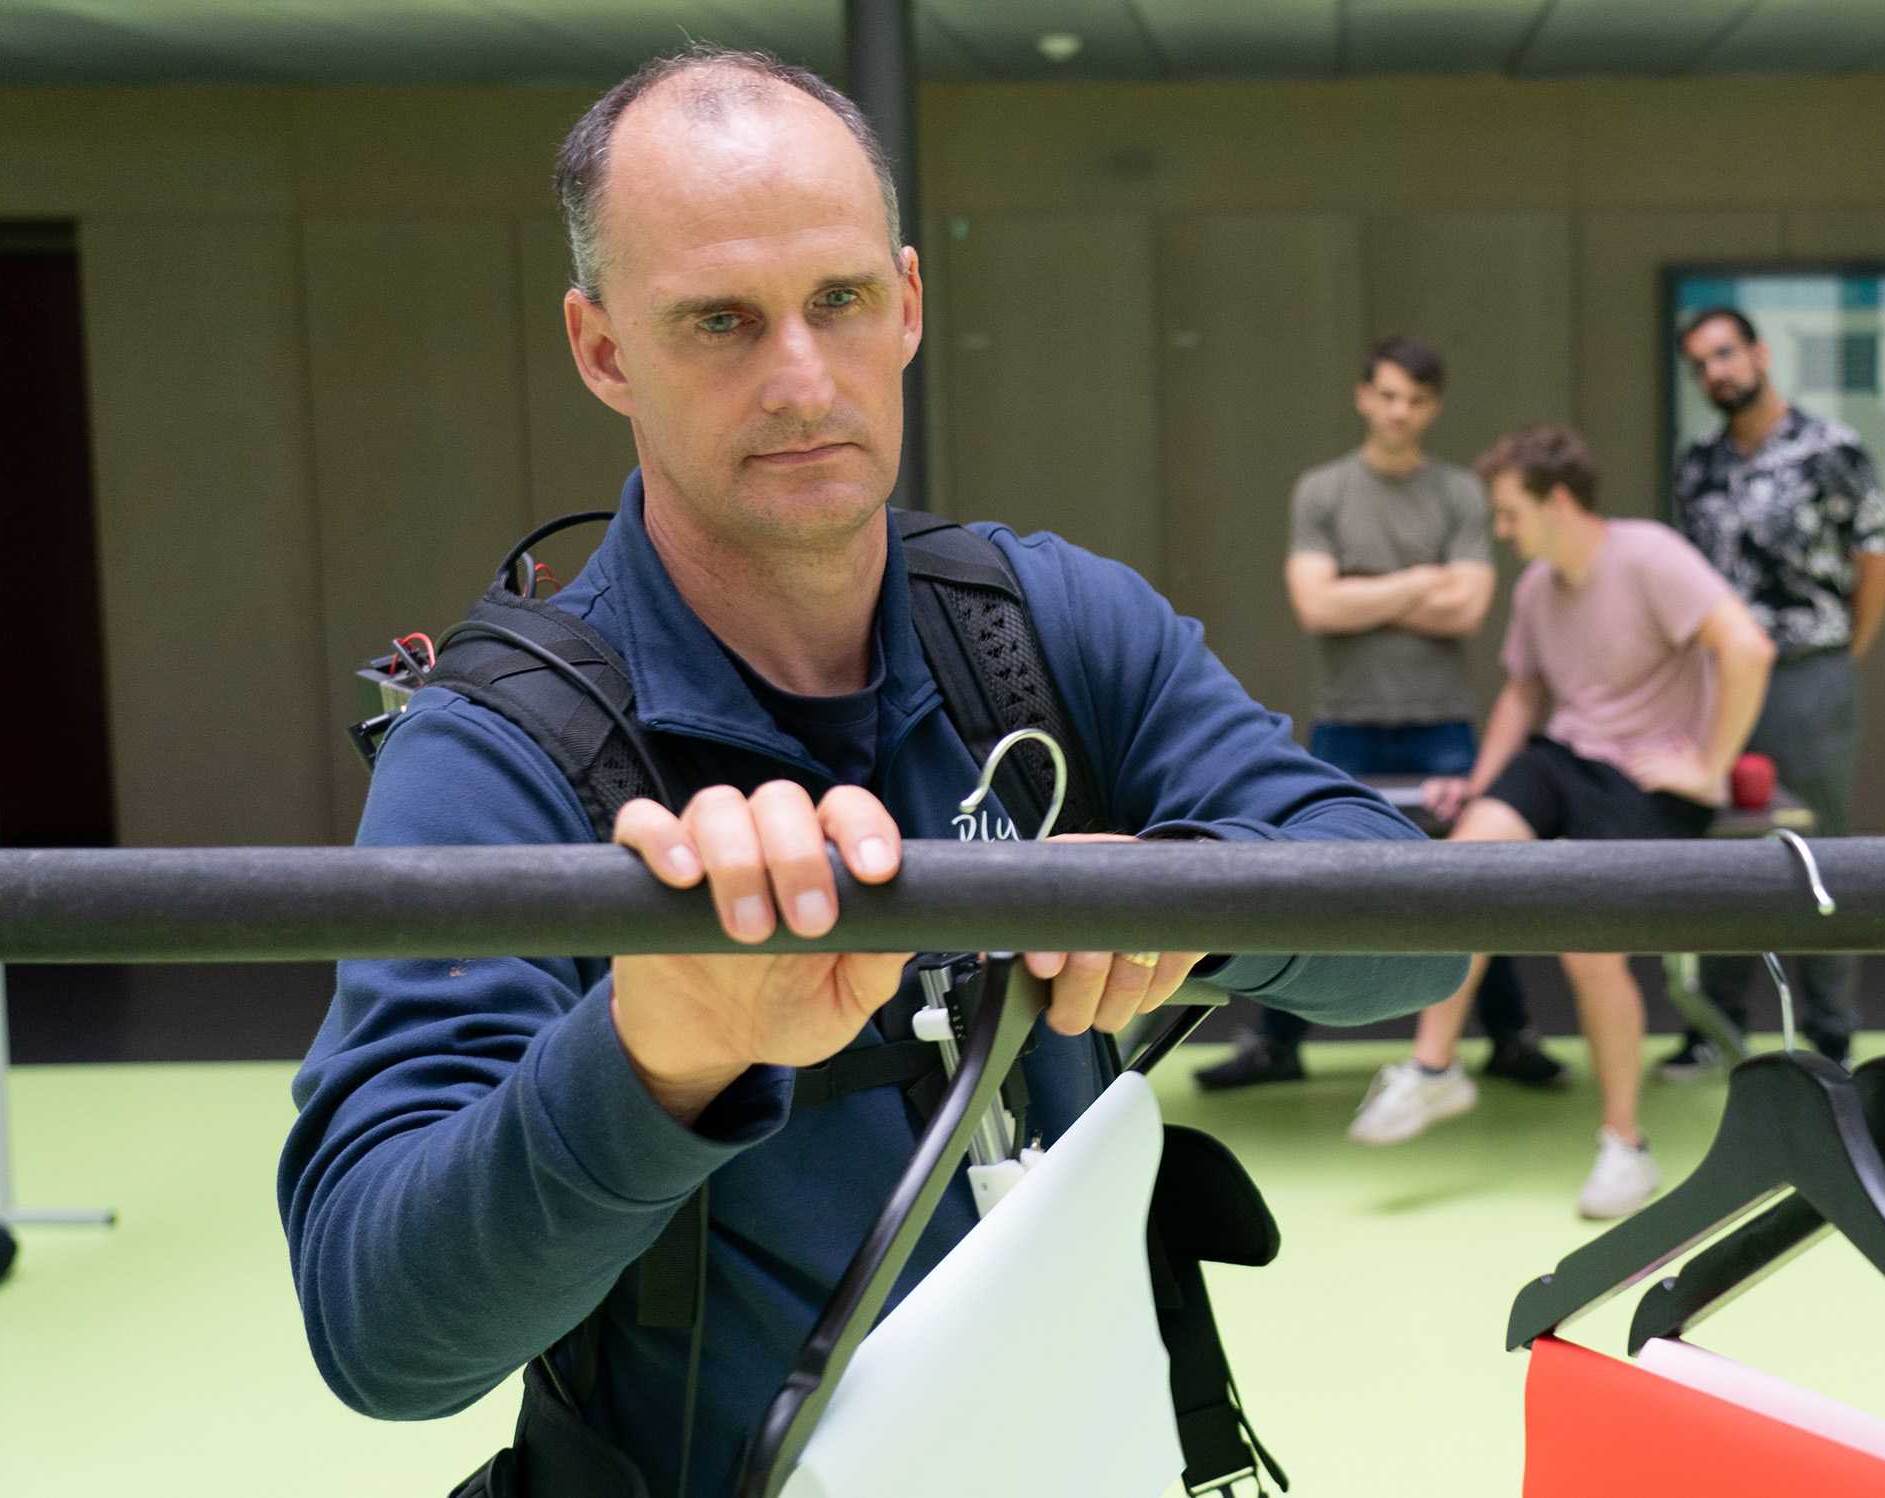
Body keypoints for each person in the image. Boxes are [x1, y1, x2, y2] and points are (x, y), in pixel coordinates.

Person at [276, 47, 1462, 1498]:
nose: (800, 377)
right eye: (718, 320)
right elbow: (382, 1335)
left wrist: (1191, 899)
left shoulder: (1048, 629)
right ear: (601, 351)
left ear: (905, 301)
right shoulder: (500, 755)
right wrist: (655, 1055)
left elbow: (1424, 918)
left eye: (836, 301)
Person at [1347, 424, 1775, 1219]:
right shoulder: (1540, 588)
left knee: (1588, 942)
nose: (1501, 532)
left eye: (1511, 514)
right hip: (1566, 758)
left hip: (1651, 779)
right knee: (1464, 864)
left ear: (1560, 502)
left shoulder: (1648, 555)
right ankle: (1435, 1069)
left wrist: (1711, 767)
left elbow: (1747, 648)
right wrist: (1478, 786)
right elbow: (1521, 693)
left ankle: (1625, 1147)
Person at [1197, 334, 1562, 1092]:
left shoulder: (1461, 493)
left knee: (1471, 880)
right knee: (1309, 870)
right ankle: (1275, 1042)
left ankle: (1510, 1037)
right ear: (1365, 396)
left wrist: (1363, 590)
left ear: (1434, 408)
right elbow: (1314, 604)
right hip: (1346, 719)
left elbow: (1467, 610)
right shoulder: (1323, 491)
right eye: (1389, 395)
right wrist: (1420, 581)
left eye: (1417, 401)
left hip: (1443, 722)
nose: (1401, 412)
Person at [1664, 307, 1885, 1071]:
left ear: (1760, 354)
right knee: (1723, 855)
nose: (1716, 373)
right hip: (1720, 686)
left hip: (1807, 677)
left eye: (1726, 354)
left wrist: (1840, 655)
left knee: (1820, 849)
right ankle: (1717, 1028)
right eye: (1700, 364)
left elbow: (1876, 564)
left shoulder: (1832, 451)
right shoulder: (1698, 464)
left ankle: (1832, 1033)